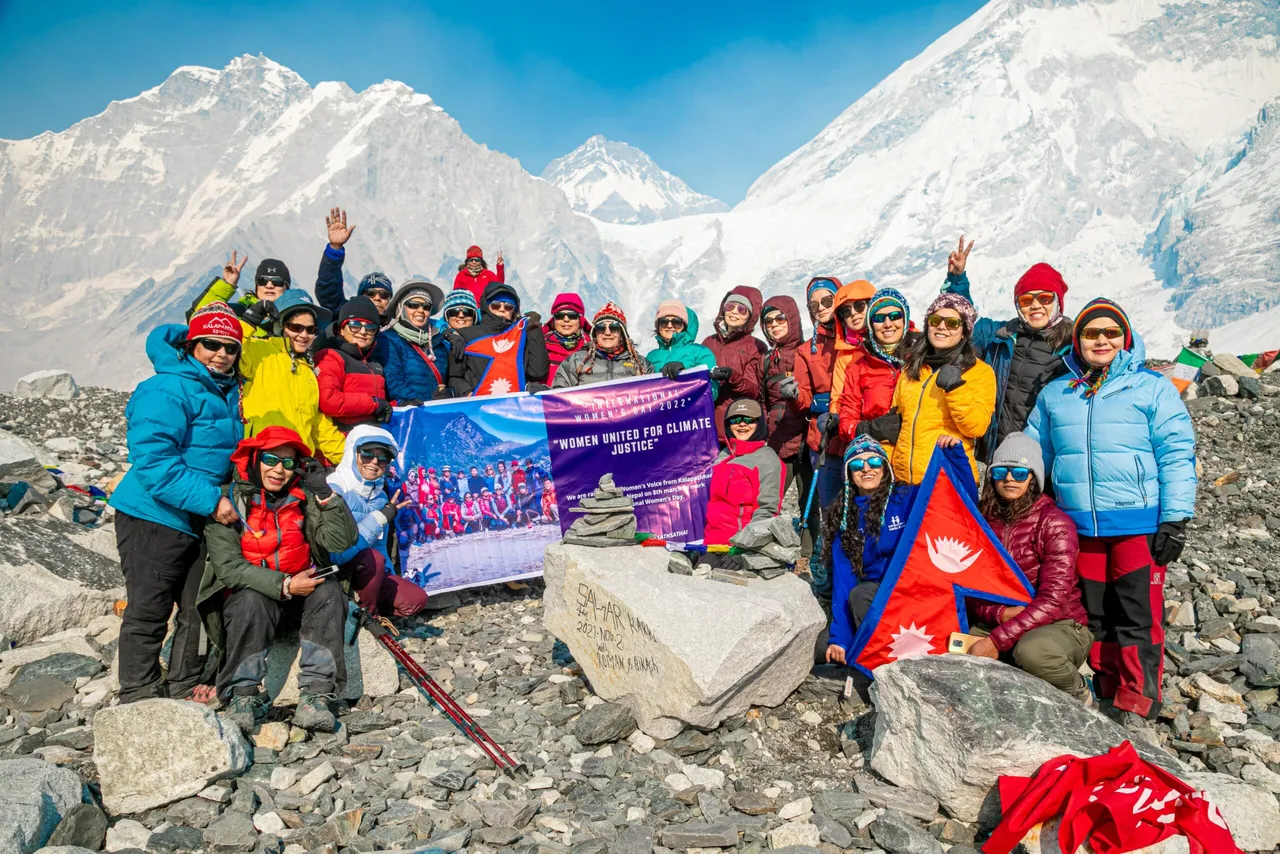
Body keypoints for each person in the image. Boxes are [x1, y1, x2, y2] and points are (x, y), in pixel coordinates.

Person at [1025, 298, 1196, 723]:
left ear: (1125, 338)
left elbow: (1176, 452)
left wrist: (1175, 518)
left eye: (1110, 332)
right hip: (1079, 526)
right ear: (1078, 340)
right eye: (1090, 332)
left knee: (1138, 614)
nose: (1100, 340)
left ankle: (1138, 702)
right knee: (1095, 614)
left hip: (1138, 523)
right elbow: (1035, 455)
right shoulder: (1056, 393)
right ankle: (1105, 691)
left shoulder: (1151, 387)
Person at [109, 303, 243, 704]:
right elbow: (154, 462)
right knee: (149, 609)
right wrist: (212, 501)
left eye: (230, 347)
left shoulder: (224, 390)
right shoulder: (166, 387)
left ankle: (183, 684)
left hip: (198, 517)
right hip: (153, 515)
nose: (221, 354)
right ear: (191, 344)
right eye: (210, 344)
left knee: (197, 606)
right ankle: (138, 693)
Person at [201, 428, 358, 733]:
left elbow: (342, 541)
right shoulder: (227, 501)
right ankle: (242, 696)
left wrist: (325, 493)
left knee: (329, 591)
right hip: (254, 600)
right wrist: (285, 585)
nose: (278, 469)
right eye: (271, 459)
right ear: (255, 459)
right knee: (249, 599)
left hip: (302, 597)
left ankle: (315, 697)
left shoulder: (305, 498)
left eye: (288, 463)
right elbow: (230, 569)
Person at [822, 436, 968, 699]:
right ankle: (891, 671)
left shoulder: (907, 497)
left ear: (885, 466)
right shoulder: (844, 520)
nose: (867, 469)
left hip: (920, 588)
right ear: (848, 474)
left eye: (874, 460)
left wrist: (956, 455)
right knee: (851, 607)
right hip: (880, 596)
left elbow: (957, 498)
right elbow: (844, 582)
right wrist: (839, 638)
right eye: (857, 465)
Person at [966, 433, 1093, 702]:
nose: (1009, 478)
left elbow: (1055, 599)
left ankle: (1078, 689)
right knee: (951, 645)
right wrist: (1000, 614)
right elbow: (968, 586)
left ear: (1034, 477)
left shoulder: (1055, 524)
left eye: (1020, 472)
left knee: (1033, 652)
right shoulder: (982, 520)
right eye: (1001, 471)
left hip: (1059, 623)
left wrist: (997, 640)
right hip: (1001, 618)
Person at [942, 238, 1073, 462]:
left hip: (1042, 459)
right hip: (995, 452)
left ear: (1057, 302)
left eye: (1044, 298)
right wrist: (957, 280)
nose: (1035, 305)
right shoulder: (1000, 335)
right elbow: (965, 320)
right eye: (1025, 300)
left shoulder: (1071, 346)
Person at [231, 288, 347, 466]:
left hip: (295, 463)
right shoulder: (261, 350)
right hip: (262, 458)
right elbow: (232, 347)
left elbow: (318, 425)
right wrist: (249, 319)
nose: (303, 335)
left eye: (310, 329)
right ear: (281, 326)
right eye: (296, 327)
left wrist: (353, 460)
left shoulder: (308, 370)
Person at [889, 293, 997, 485]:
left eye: (952, 323)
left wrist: (955, 389)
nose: (941, 327)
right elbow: (895, 425)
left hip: (948, 482)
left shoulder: (979, 372)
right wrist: (889, 467)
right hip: (904, 481)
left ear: (964, 331)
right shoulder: (911, 369)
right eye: (935, 320)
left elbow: (977, 427)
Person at [326, 425, 429, 624]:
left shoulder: (380, 495)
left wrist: (385, 577)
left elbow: (380, 544)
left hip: (369, 570)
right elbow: (336, 553)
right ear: (352, 453)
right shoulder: (334, 488)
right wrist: (380, 518)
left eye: (382, 458)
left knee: (415, 599)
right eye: (367, 454)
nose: (374, 462)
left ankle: (367, 603)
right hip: (338, 573)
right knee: (372, 559)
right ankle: (367, 618)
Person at [792, 276, 844, 574]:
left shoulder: (855, 340)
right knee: (829, 508)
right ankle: (830, 569)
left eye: (827, 301)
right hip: (822, 437)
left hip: (852, 430)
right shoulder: (806, 350)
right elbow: (804, 397)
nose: (821, 308)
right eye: (814, 305)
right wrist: (794, 395)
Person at [838, 288, 915, 450]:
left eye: (895, 316)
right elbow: (846, 424)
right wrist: (873, 429)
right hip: (879, 457)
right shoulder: (858, 368)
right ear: (871, 324)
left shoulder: (922, 358)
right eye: (879, 318)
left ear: (905, 320)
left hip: (919, 455)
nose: (888, 324)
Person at [703, 399, 784, 547]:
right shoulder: (724, 454)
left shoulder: (767, 459)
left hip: (739, 547)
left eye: (749, 419)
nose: (742, 424)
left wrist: (745, 548)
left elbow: (768, 511)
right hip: (711, 543)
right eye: (735, 419)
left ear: (759, 424)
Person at [449, 283, 550, 396]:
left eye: (508, 306)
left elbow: (537, 373)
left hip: (514, 407)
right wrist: (468, 393)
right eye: (496, 305)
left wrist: (534, 330)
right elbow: (454, 376)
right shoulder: (466, 335)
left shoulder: (521, 336)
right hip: (478, 407)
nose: (502, 309)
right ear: (486, 307)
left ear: (514, 311)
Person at [315, 296, 392, 430]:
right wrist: (373, 403)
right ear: (341, 329)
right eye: (355, 325)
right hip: (343, 440)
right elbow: (328, 401)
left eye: (370, 327)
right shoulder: (331, 356)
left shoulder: (375, 364)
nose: (363, 332)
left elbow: (383, 403)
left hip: (373, 438)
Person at [703, 287, 766, 446]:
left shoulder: (755, 347)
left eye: (742, 309)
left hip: (737, 429)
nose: (734, 312)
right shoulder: (708, 343)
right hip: (707, 430)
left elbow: (754, 390)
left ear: (750, 317)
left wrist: (732, 376)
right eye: (730, 306)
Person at [759, 296, 807, 494]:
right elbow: (763, 401)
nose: (773, 325)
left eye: (780, 318)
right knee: (770, 501)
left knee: (809, 507)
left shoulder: (808, 352)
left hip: (806, 441)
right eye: (768, 321)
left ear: (792, 319)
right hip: (777, 441)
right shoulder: (767, 360)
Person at [188, 252, 293, 342]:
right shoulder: (237, 312)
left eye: (277, 282)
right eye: (263, 281)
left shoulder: (296, 317)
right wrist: (227, 284)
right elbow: (199, 319)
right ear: (256, 286)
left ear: (287, 287)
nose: (269, 286)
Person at [315, 208, 395, 325]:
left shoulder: (397, 330)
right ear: (360, 297)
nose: (377, 298)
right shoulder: (345, 317)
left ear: (390, 300)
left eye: (384, 295)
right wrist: (335, 249)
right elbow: (328, 291)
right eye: (370, 294)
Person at [552, 302, 654, 388]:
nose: (607, 332)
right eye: (601, 327)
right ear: (594, 332)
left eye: (614, 327)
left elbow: (654, 396)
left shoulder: (640, 364)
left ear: (622, 333)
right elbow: (558, 398)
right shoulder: (576, 362)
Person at [380, 280, 448, 405]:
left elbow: (451, 379)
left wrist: (450, 394)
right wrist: (418, 402)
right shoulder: (389, 340)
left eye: (426, 307)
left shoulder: (439, 343)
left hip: (438, 412)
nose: (420, 310)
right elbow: (392, 379)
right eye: (413, 305)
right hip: (409, 413)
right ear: (401, 308)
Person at [826, 279, 877, 414]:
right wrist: (834, 418)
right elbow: (837, 397)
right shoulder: (844, 354)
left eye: (859, 306)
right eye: (846, 311)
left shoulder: (894, 339)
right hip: (860, 424)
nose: (853, 313)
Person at [645, 299, 719, 386]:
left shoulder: (701, 352)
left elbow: (712, 390)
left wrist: (685, 373)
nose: (669, 326)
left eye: (676, 322)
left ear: (684, 325)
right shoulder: (651, 357)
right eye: (663, 322)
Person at [542, 293, 589, 384]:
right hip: (548, 398)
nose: (566, 319)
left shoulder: (592, 348)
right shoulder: (541, 346)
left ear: (581, 320)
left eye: (572, 315)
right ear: (553, 321)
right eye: (560, 316)